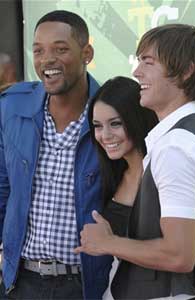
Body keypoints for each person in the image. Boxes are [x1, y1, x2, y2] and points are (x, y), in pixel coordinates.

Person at [75, 24, 195, 300]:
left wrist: (108, 242)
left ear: (186, 71)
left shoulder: (176, 146)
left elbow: (179, 255)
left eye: (148, 62)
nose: (137, 72)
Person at [0, 10, 114, 300]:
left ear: (86, 53)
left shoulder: (114, 112)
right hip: (20, 283)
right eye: (38, 50)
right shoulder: (13, 108)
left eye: (60, 49)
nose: (46, 60)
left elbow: (152, 182)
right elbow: (2, 188)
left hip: (86, 285)